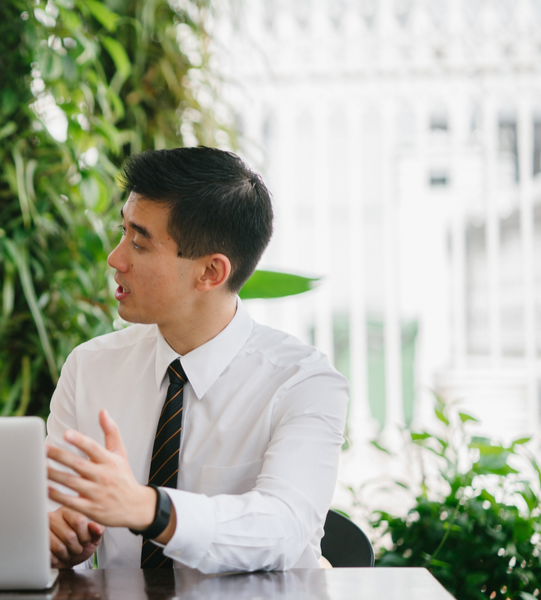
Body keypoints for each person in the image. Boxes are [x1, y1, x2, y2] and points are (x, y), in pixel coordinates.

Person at [44, 147, 349, 573]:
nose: (115, 258)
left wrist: (150, 509)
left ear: (210, 273)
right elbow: (49, 515)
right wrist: (58, 540)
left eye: (139, 242)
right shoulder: (90, 368)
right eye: (122, 233)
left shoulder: (303, 383)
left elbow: (284, 527)